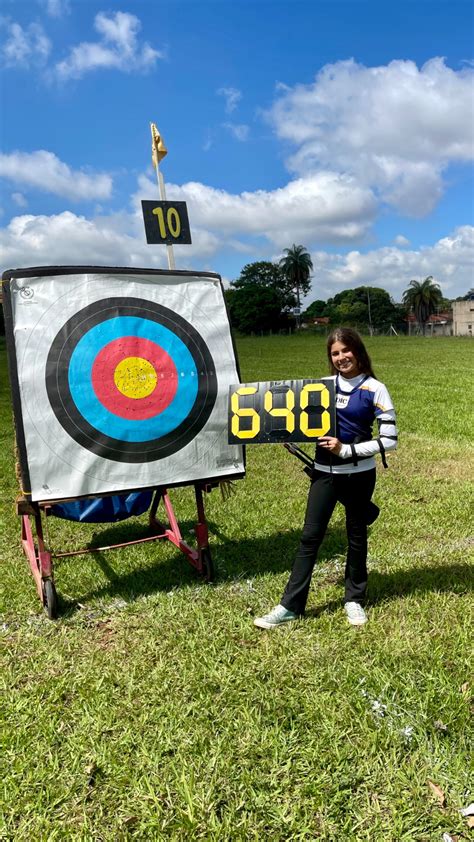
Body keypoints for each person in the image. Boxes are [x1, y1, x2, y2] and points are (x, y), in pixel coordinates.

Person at [254, 327, 398, 629]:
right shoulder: (321, 387)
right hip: (323, 475)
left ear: (358, 351)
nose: (341, 357)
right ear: (330, 357)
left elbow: (390, 439)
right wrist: (285, 429)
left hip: (359, 475)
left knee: (356, 536)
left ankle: (354, 599)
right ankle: (290, 606)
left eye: (346, 350)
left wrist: (346, 450)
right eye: (335, 353)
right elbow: (298, 416)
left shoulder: (376, 388)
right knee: (309, 537)